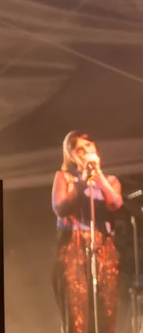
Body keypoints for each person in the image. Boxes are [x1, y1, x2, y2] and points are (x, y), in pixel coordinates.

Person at [52, 131, 124, 333]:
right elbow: (60, 207)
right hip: (73, 248)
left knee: (105, 310)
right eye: (79, 150)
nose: (85, 153)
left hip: (103, 249)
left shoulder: (110, 180)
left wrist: (98, 176)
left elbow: (115, 203)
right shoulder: (64, 177)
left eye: (88, 147)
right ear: (72, 156)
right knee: (77, 313)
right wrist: (82, 181)